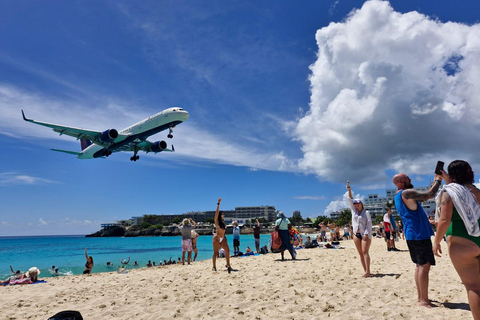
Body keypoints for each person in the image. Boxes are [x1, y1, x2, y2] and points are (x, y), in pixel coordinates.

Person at [433, 160, 480, 319]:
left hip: (463, 241)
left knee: (473, 288)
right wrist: (448, 178)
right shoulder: (476, 190)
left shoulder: (449, 192)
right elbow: (463, 191)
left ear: (452, 175)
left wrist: (436, 241)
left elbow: (444, 220)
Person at [393, 172, 442, 307]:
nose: (410, 179)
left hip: (413, 234)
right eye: (408, 178)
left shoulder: (398, 196)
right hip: (418, 234)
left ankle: (422, 297)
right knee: (424, 266)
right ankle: (423, 300)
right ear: (402, 181)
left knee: (419, 266)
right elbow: (429, 195)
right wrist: (438, 180)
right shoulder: (406, 193)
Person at [347, 183, 372, 277]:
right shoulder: (354, 212)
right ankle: (365, 271)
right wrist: (349, 190)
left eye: (357, 203)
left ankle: (368, 271)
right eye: (355, 204)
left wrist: (366, 234)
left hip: (365, 234)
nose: (356, 205)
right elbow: (350, 200)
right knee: (360, 253)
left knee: (365, 251)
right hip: (356, 234)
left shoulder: (367, 212)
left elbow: (369, 225)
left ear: (361, 203)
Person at [212, 198, 232, 273]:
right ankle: (214, 266)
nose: (223, 215)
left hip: (223, 238)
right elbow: (217, 212)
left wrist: (224, 238)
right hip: (216, 238)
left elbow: (223, 232)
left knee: (228, 251)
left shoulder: (223, 223)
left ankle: (228, 264)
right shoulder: (216, 221)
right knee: (215, 253)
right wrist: (218, 203)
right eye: (222, 214)